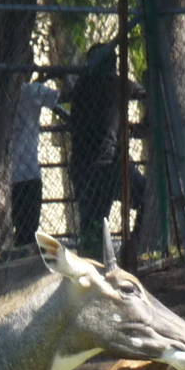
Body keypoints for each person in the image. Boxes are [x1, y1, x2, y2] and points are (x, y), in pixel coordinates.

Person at [66, 41, 145, 256]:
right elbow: (142, 91)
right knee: (145, 197)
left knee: (92, 223)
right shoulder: (118, 84)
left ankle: (102, 256)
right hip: (109, 164)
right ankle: (136, 247)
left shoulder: (81, 87)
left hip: (89, 165)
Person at [10, 76, 60, 247]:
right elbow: (60, 98)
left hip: (6, 173)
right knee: (28, 231)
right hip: (28, 172)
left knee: (18, 228)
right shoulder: (33, 91)